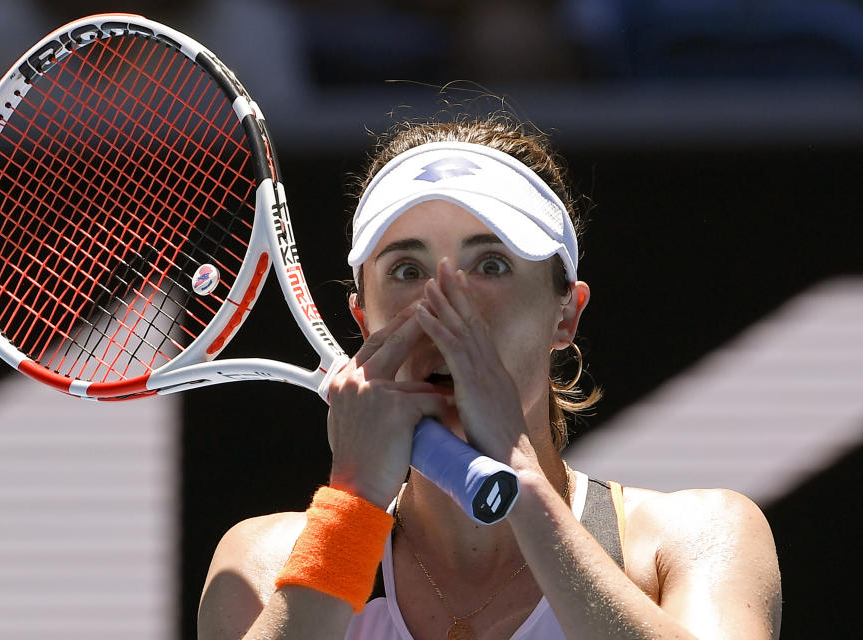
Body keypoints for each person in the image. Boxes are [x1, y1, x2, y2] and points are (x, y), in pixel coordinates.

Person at [197, 115, 783, 640]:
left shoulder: (695, 538)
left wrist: (519, 476)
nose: (449, 304)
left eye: (491, 265)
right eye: (407, 268)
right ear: (362, 318)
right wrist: (352, 506)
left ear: (566, 313)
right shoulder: (263, 565)